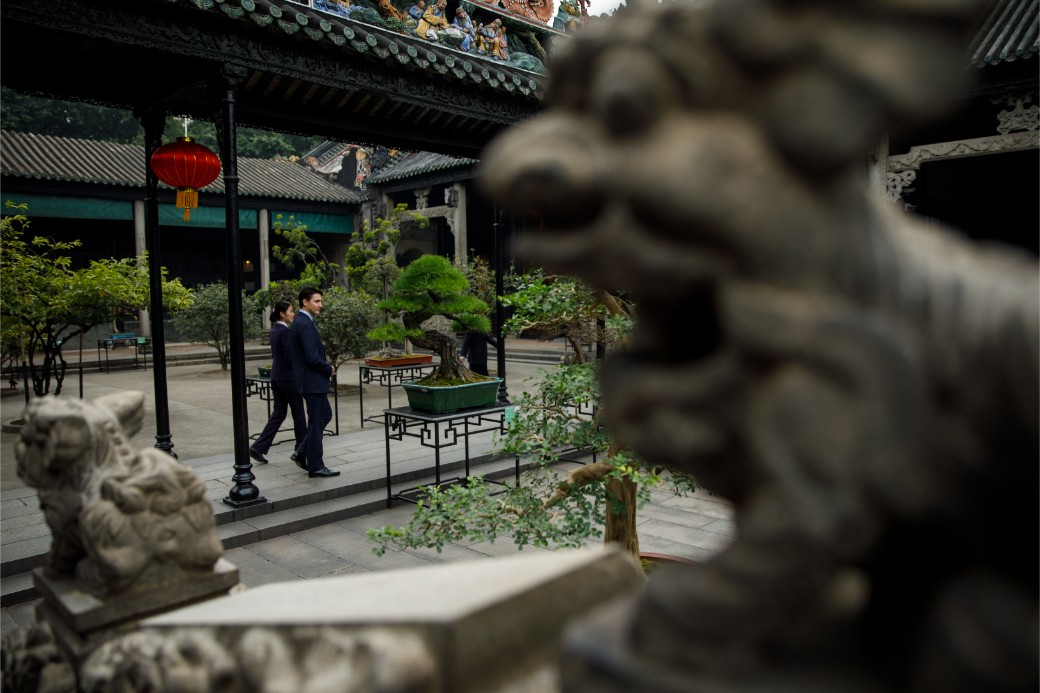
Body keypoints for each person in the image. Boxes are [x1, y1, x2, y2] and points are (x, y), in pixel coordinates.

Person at [289, 287, 340, 478]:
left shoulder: (300, 322)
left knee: (324, 416)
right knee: (319, 421)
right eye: (317, 301)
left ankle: (301, 451)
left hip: (309, 381)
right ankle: (316, 466)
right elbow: (311, 357)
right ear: (305, 302)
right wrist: (329, 368)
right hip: (312, 381)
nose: (321, 305)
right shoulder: (305, 324)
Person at [249, 301, 307, 466]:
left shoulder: (275, 330)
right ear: (282, 314)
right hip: (288, 378)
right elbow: (290, 358)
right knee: (299, 414)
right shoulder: (285, 332)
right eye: (290, 311)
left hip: (276, 377)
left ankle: (258, 447)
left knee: (279, 413)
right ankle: (301, 451)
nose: (293, 313)